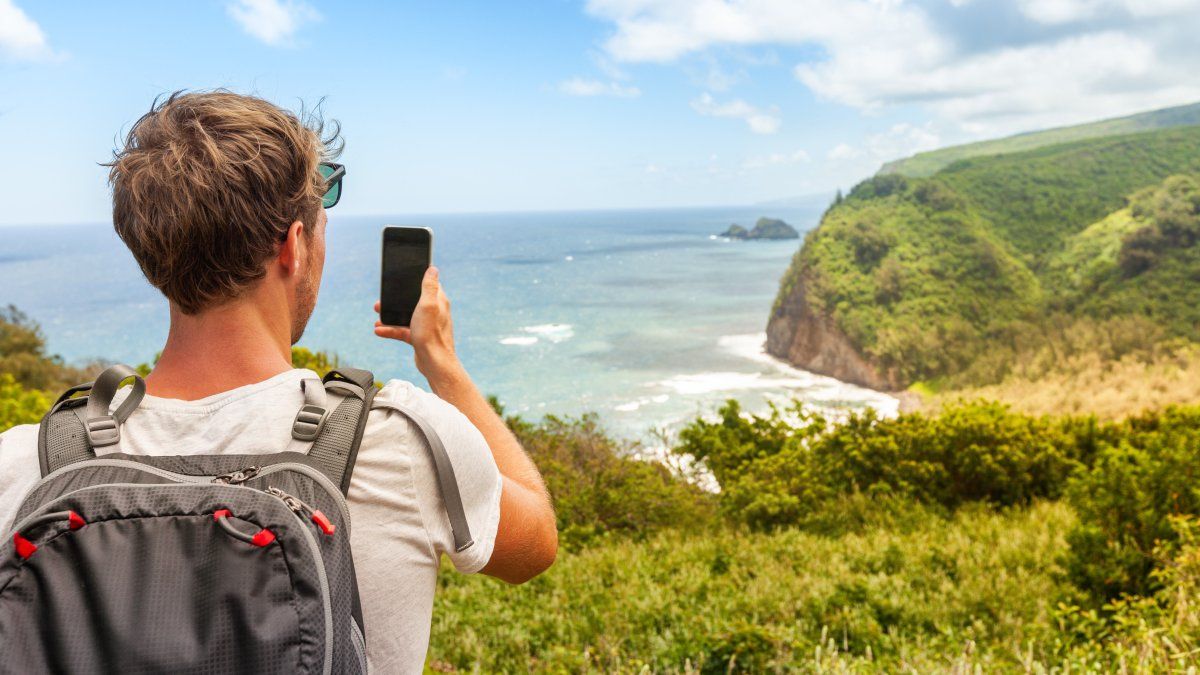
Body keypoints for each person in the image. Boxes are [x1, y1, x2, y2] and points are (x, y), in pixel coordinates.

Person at [0, 91, 558, 672]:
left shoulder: (24, 464)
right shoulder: (397, 440)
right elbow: (534, 544)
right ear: (294, 245)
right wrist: (444, 365)